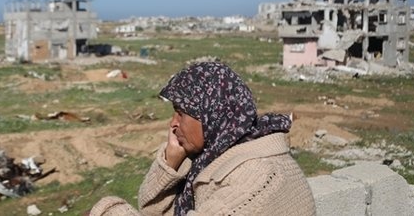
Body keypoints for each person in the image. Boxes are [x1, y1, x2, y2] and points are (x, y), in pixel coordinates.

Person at [89, 61, 316, 215]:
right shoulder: (218, 154)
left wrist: (108, 209)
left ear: (212, 114)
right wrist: (171, 161)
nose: (173, 123)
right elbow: (152, 211)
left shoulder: (258, 178)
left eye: (181, 112)